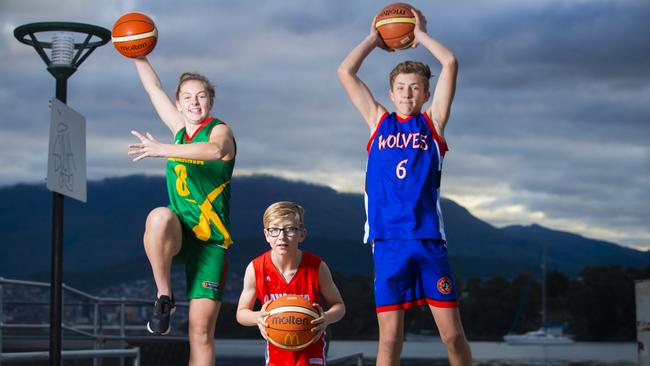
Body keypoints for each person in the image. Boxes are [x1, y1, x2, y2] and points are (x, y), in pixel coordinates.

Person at [337, 8, 472, 366]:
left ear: (426, 93)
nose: (407, 94)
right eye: (401, 88)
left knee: (453, 335)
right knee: (390, 340)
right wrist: (373, 39)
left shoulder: (433, 123)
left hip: (427, 239)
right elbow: (344, 72)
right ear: (391, 93)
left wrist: (420, 33)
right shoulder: (377, 121)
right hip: (387, 242)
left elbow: (451, 62)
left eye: (415, 88)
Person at [128, 56, 236, 366]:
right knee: (158, 216)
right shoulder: (178, 129)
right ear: (179, 102)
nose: (194, 102)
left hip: (210, 243)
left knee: (200, 334)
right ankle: (165, 297)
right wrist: (138, 54)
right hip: (179, 232)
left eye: (201, 96)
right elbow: (153, 87)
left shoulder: (220, 131)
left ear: (210, 102)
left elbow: (215, 151)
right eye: (187, 96)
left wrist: (162, 149)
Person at [236, 201, 346, 366]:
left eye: (290, 229)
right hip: (276, 346)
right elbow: (241, 313)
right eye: (274, 230)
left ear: (302, 234)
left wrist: (327, 318)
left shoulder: (317, 267)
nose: (282, 236)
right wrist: (257, 317)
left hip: (312, 344)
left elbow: (339, 306)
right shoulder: (255, 268)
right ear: (266, 234)